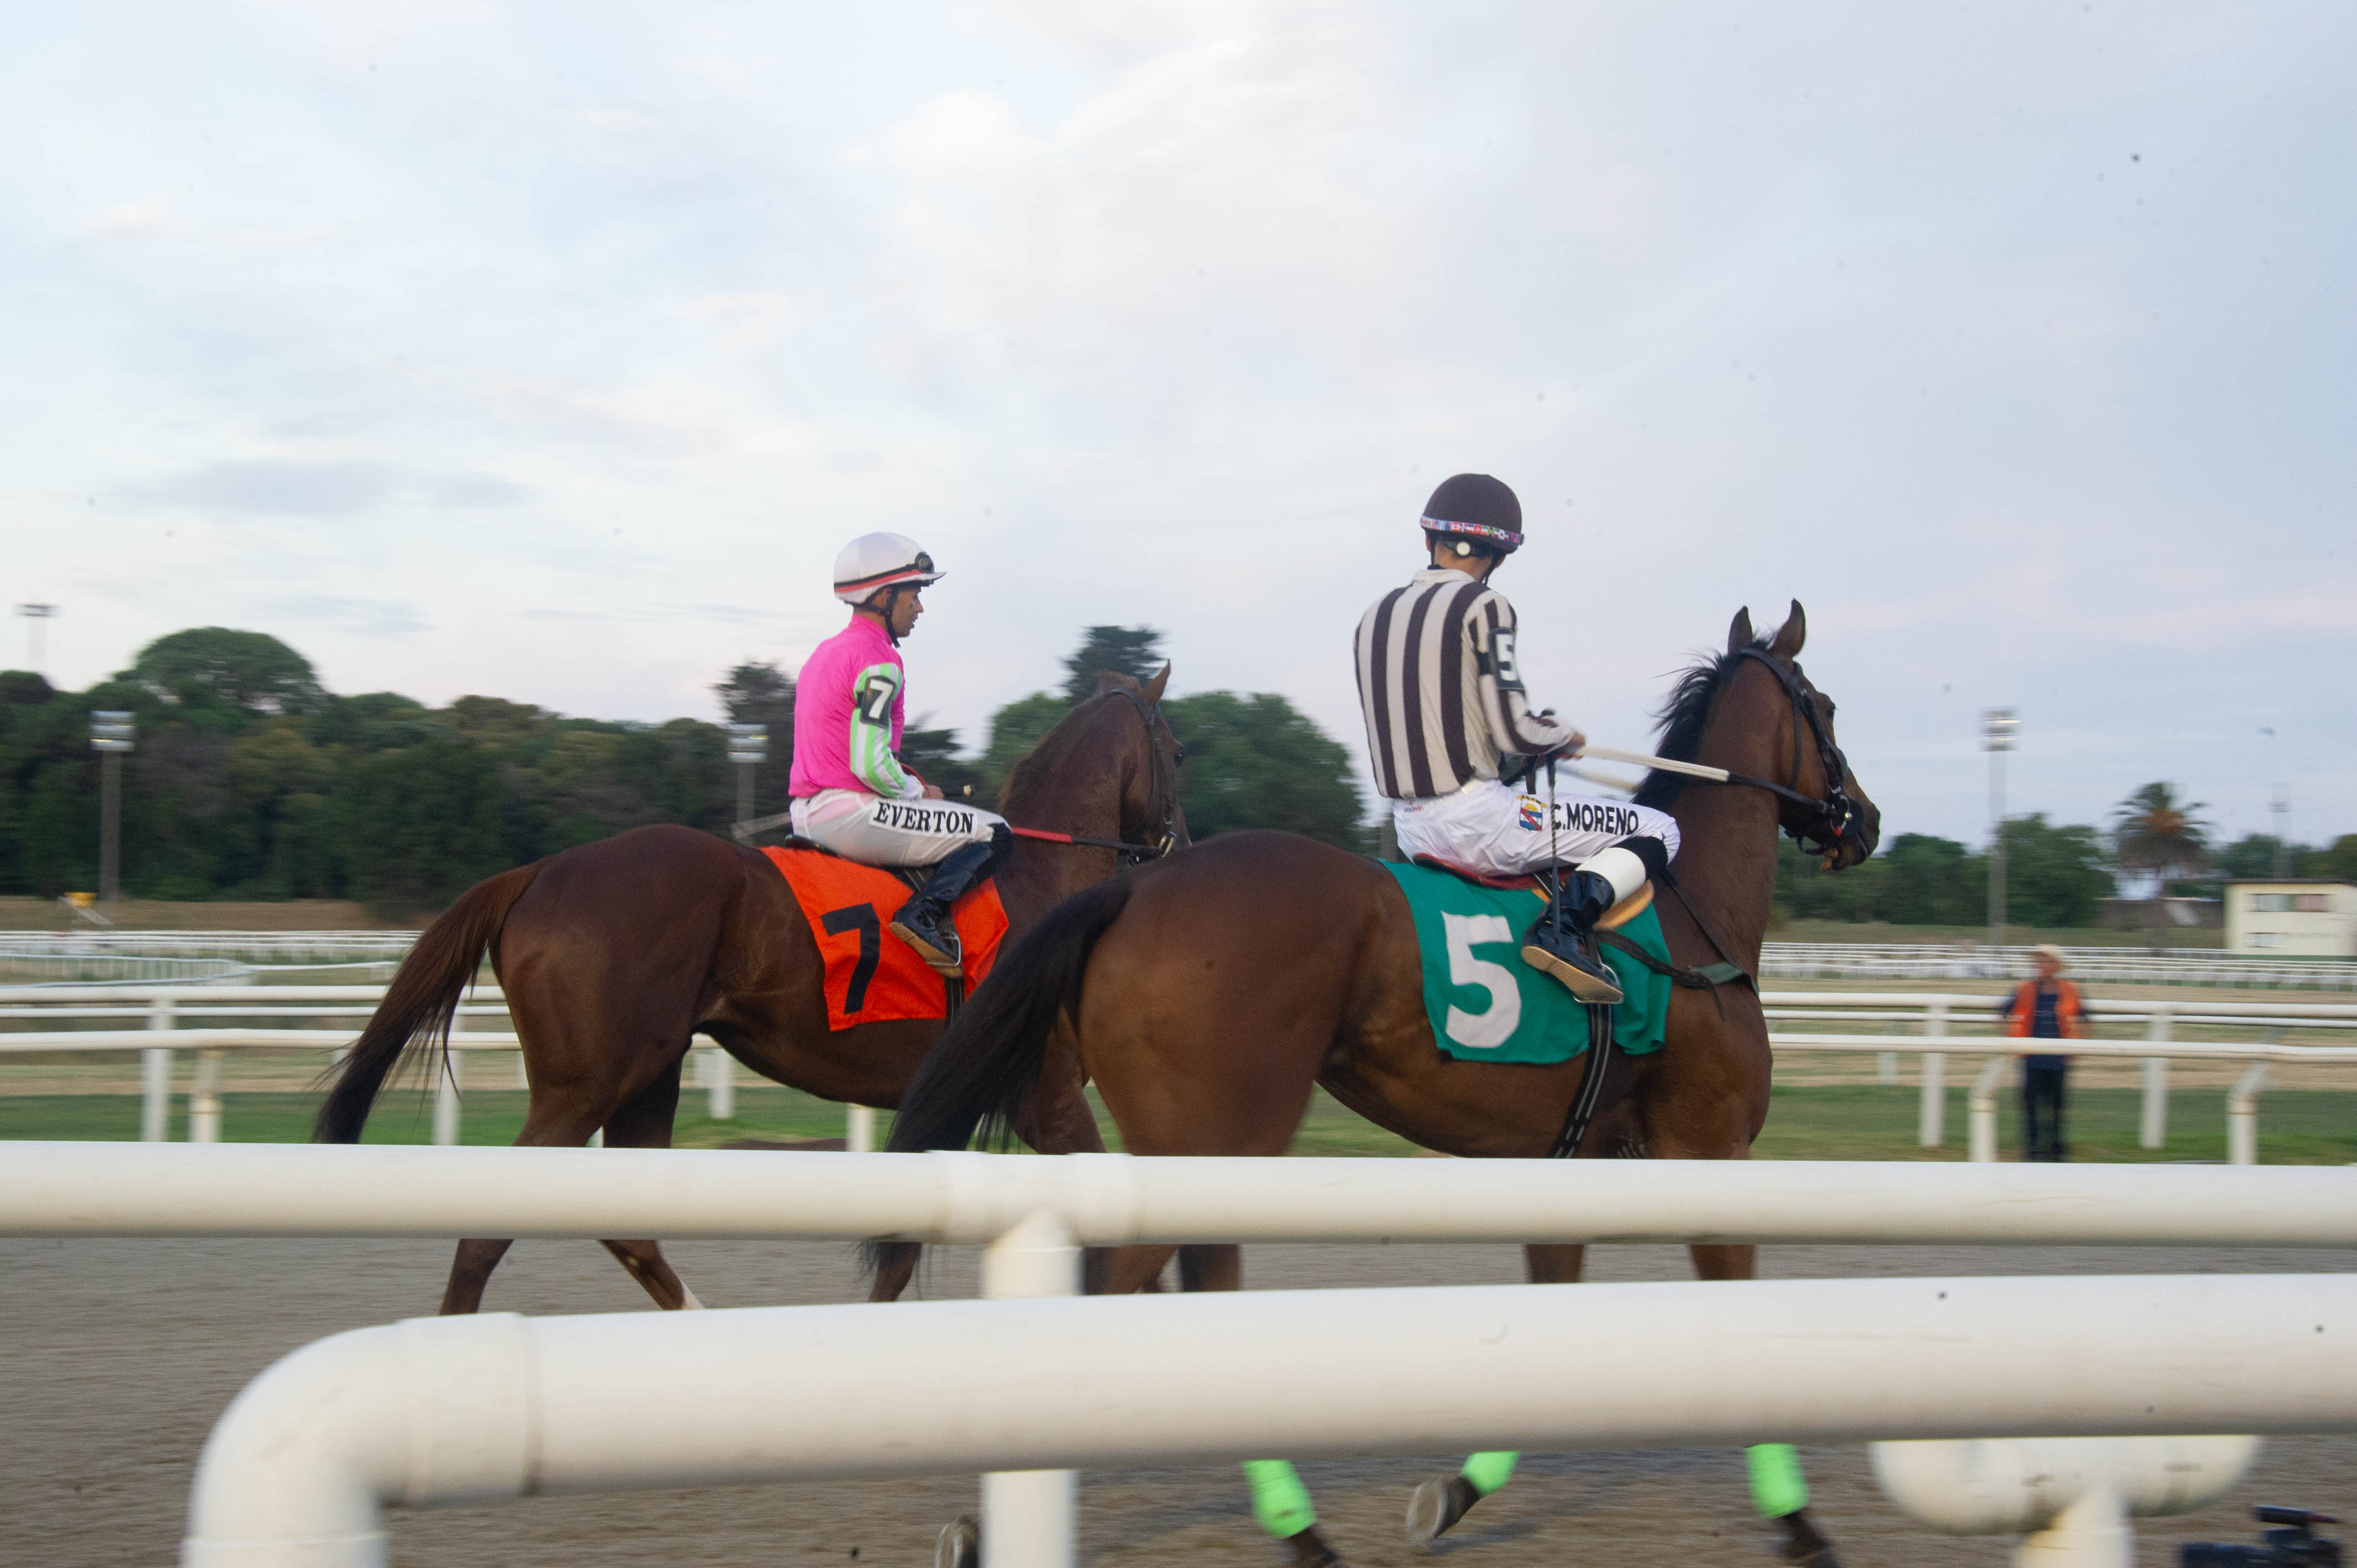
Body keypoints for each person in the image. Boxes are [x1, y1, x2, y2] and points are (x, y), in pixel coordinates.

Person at [1354, 473, 1682, 1004]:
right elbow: (1514, 730)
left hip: (1410, 830)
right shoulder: (1487, 606)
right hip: (1478, 821)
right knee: (1660, 828)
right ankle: (1562, 928)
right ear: (1500, 557)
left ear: (1429, 538)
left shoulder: (1374, 616)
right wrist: (1560, 734)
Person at [789, 533, 1010, 974]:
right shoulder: (880, 661)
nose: (920, 608)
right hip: (850, 816)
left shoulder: (824, 653)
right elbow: (869, 764)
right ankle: (921, 915)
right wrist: (918, 793)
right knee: (996, 831)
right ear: (884, 596)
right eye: (914, 594)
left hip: (805, 812)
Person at [2001, 944, 2086, 1161]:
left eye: (2047, 961)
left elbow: (2085, 1018)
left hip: (2059, 1059)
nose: (2041, 965)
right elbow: (2003, 1013)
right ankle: (2032, 1151)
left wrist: (2079, 1047)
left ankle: (2056, 1152)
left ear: (2058, 966)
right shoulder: (2023, 989)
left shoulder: (2071, 990)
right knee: (2030, 1107)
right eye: (2039, 961)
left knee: (2057, 1107)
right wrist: (2010, 1043)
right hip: (2030, 1058)